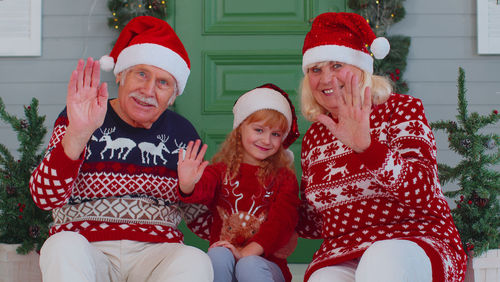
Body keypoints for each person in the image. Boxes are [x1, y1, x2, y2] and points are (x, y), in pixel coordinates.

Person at [28, 16, 213, 282]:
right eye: (141, 74)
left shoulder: (182, 133)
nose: (149, 90)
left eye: (163, 82)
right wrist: (77, 135)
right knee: (61, 246)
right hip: (88, 248)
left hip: (156, 253)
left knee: (195, 260)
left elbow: (202, 223)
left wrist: (189, 189)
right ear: (120, 75)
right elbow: (44, 198)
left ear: (173, 94)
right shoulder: (82, 116)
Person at [296, 12, 467, 282]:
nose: (326, 79)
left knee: (380, 262)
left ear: (361, 67)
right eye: (316, 69)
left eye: (337, 65)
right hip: (343, 251)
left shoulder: (400, 110)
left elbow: (423, 191)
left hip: (415, 238)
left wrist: (368, 149)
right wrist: (268, 185)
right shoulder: (316, 136)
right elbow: (312, 223)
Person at [176, 84, 301, 282]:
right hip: (225, 261)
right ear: (239, 129)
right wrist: (188, 184)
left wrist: (246, 252)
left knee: (248, 264)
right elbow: (202, 191)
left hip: (265, 265)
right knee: (217, 254)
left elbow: (280, 223)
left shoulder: (284, 177)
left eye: (276, 134)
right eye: (259, 130)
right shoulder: (219, 171)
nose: (267, 140)